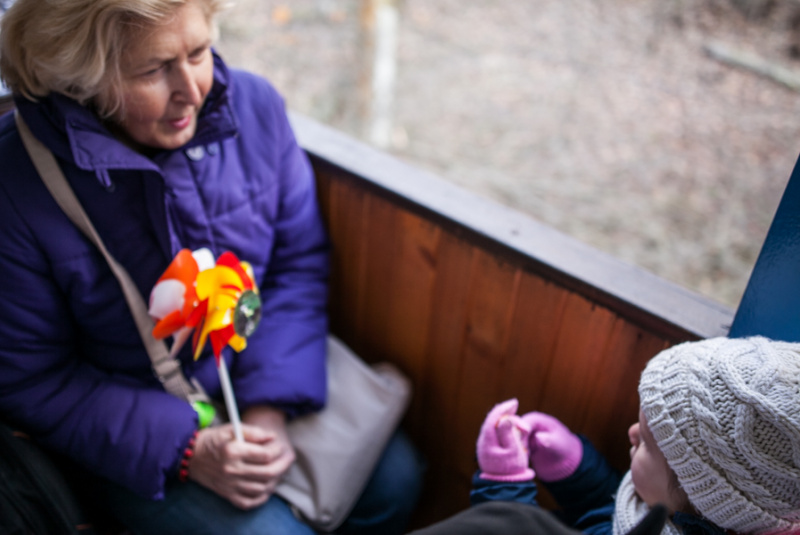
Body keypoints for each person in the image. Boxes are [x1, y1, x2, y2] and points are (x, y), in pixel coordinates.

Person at [0, 0, 422, 533]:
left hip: (253, 369)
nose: (192, 90)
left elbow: (296, 266)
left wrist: (271, 405)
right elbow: (31, 379)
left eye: (198, 51)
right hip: (128, 427)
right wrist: (186, 449)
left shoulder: (256, 109)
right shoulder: (15, 188)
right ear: (82, 78)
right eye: (153, 70)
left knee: (396, 483)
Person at [411, 336, 800, 535]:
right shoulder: (679, 506)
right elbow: (617, 504)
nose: (632, 433)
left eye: (647, 440)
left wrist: (503, 484)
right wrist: (573, 467)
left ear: (704, 496)